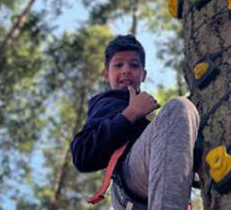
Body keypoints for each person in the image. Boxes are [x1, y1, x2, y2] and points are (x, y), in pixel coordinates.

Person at [71, 35, 199, 210]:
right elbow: (82, 155)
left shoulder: (149, 115)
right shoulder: (108, 101)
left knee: (185, 113)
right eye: (118, 65)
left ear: (143, 74)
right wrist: (130, 114)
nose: (126, 70)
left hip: (144, 191)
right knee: (178, 108)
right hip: (129, 184)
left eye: (134, 65)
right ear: (106, 74)